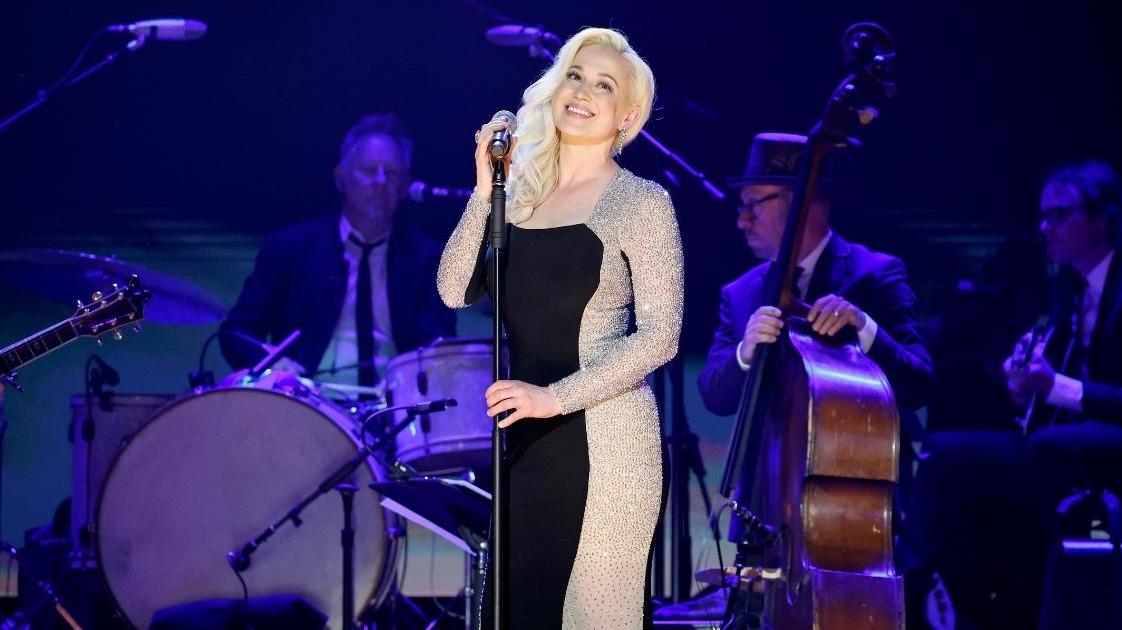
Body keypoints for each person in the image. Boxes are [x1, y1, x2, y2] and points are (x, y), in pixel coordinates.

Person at [437, 27, 682, 628]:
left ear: (627, 116)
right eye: (575, 75)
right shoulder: (517, 196)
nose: (583, 91)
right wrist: (484, 190)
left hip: (608, 442)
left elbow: (661, 335)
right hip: (527, 441)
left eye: (604, 85)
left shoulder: (640, 202)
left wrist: (552, 398)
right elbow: (453, 289)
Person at [906, 159, 1122, 628]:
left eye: (1059, 215)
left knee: (977, 457)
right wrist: (1024, 388)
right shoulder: (1073, 282)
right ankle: (972, 606)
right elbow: (1064, 378)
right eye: (1043, 216)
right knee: (967, 469)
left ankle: (915, 590)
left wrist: (1054, 386)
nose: (1045, 227)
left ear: (1102, 217)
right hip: (1094, 438)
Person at [697, 132, 932, 424]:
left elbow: (920, 385)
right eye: (742, 206)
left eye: (753, 204)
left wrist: (864, 327)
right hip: (773, 456)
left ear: (802, 204)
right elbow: (714, 398)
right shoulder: (739, 293)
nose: (742, 221)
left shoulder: (877, 274)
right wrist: (744, 355)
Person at [219, 114, 454, 385]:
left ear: (404, 186)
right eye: (369, 171)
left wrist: (415, 376)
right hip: (302, 399)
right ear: (340, 178)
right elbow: (236, 333)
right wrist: (272, 363)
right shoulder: (291, 248)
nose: (380, 181)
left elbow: (436, 343)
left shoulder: (425, 257)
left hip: (392, 404)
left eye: (392, 173)